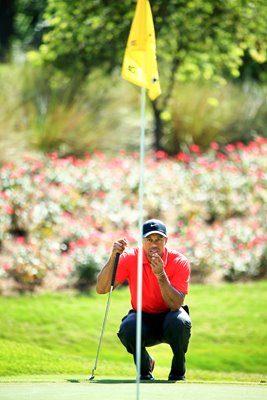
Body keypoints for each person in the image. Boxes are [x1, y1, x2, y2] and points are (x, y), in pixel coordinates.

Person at [96, 219, 191, 381]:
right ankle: (145, 368)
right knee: (128, 328)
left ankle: (178, 370)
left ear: (166, 241)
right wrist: (113, 257)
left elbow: (176, 304)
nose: (154, 244)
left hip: (170, 316)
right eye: (149, 240)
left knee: (181, 322)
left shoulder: (179, 261)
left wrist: (161, 275)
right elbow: (102, 289)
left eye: (158, 240)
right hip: (142, 317)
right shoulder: (131, 258)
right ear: (142, 241)